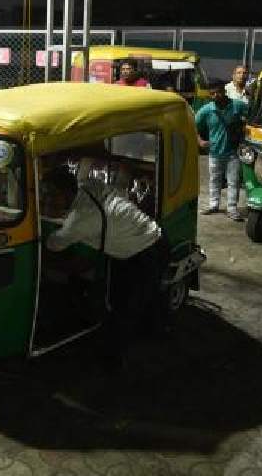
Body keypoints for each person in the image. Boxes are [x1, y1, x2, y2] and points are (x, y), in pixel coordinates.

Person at [43, 165, 169, 364]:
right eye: (45, 194)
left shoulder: (81, 220)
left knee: (126, 307)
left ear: (67, 192)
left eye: (52, 194)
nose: (47, 199)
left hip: (147, 248)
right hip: (137, 240)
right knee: (128, 297)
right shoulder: (88, 185)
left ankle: (114, 361)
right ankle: (151, 329)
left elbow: (52, 244)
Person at [196, 82, 248, 221]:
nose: (215, 96)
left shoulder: (237, 105)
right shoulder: (206, 110)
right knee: (215, 179)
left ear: (224, 91)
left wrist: (244, 128)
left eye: (217, 92)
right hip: (214, 152)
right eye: (212, 93)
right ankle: (214, 205)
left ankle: (232, 208)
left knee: (234, 181)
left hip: (233, 151)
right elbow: (193, 126)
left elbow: (252, 115)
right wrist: (200, 141)